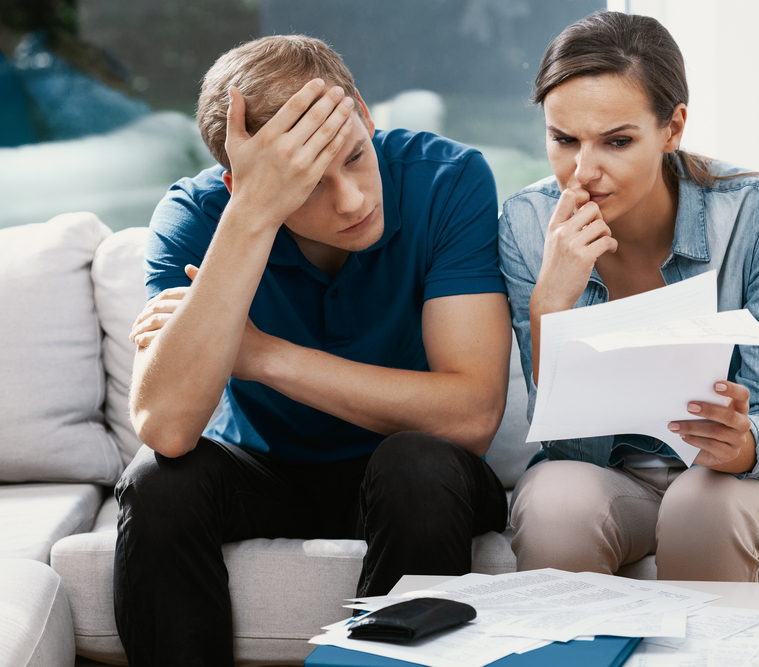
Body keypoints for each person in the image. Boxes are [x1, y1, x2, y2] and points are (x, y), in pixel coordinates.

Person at [116, 34, 511, 665]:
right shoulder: (196, 216)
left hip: (411, 473)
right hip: (264, 473)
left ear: (362, 109)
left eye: (355, 156)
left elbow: (471, 416)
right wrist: (252, 214)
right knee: (159, 480)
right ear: (239, 183)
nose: (353, 200)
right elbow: (164, 425)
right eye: (304, 186)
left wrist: (262, 353)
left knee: (419, 463)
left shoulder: (448, 179)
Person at [499, 11, 759, 582]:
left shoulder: (757, 214)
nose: (583, 172)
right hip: (613, 476)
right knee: (554, 507)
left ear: (673, 128)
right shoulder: (526, 223)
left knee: (699, 504)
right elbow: (565, 440)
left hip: (755, 477)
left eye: (617, 141)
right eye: (564, 140)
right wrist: (550, 303)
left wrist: (736, 446)